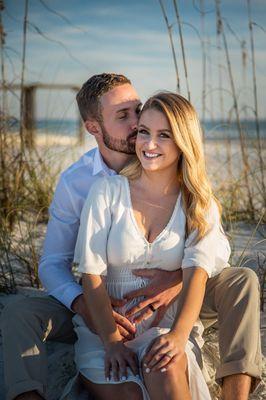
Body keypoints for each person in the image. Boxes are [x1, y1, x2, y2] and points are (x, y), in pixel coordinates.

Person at [0, 73, 261, 400]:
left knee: (242, 280)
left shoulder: (189, 190)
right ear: (94, 127)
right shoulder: (81, 183)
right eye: (124, 117)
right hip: (102, 300)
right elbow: (55, 263)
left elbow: (214, 248)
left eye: (138, 110)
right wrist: (90, 310)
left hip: (173, 297)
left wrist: (175, 278)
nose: (139, 125)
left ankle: (235, 393)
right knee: (18, 313)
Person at [64, 91, 228, 400]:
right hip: (106, 332)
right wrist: (111, 342)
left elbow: (197, 275)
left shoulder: (198, 203)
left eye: (164, 135)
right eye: (144, 132)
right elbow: (91, 274)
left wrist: (179, 336)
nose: (149, 145)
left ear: (184, 142)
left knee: (166, 372)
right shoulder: (107, 192)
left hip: (166, 327)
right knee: (132, 396)